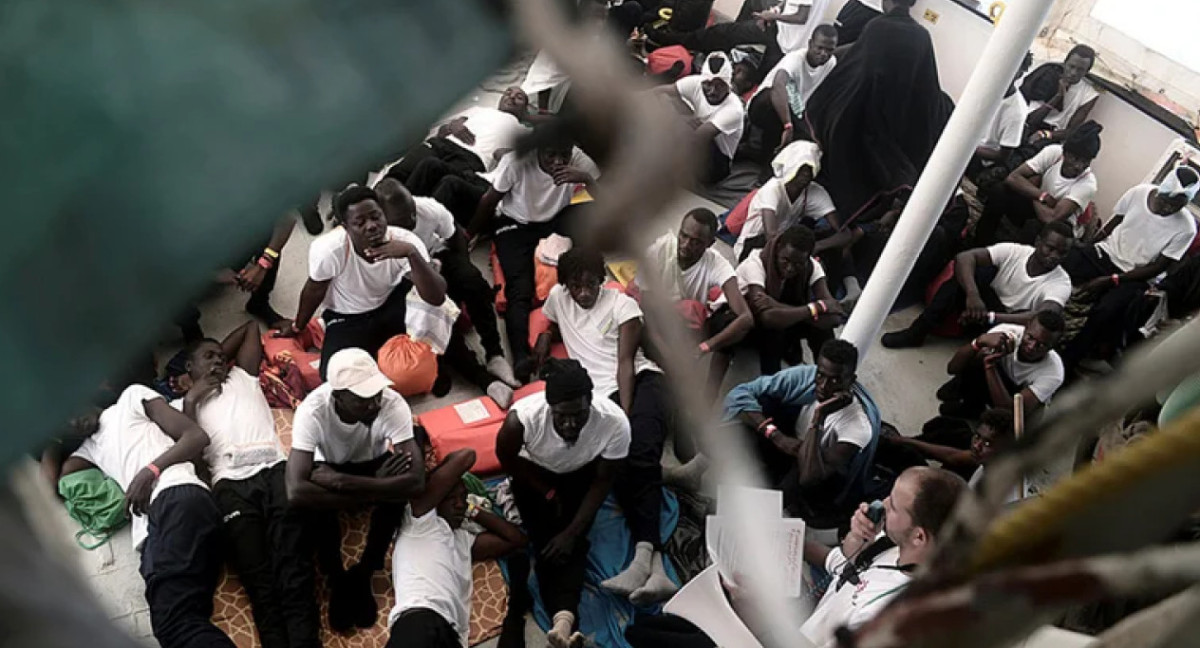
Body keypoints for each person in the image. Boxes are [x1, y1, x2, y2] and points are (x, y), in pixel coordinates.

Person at [532, 248, 678, 604]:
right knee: (618, 469)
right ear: (565, 286)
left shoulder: (622, 306)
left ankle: (644, 556)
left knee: (636, 452)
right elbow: (547, 319)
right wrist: (544, 340)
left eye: (591, 285)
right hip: (596, 397)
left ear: (602, 280)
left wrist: (624, 418)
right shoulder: (558, 298)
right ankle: (655, 568)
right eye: (576, 286)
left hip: (638, 384)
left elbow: (626, 363)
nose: (584, 293)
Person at [48, 385, 235, 648]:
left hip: (175, 496)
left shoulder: (130, 399)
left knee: (176, 625)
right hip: (159, 527)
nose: (72, 420)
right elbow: (53, 485)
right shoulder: (88, 450)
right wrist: (51, 442)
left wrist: (150, 471)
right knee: (186, 623)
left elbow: (195, 437)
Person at [174, 322, 318, 648]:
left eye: (221, 356)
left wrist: (219, 360)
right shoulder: (183, 406)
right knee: (259, 580)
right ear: (189, 367)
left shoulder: (244, 377)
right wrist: (191, 401)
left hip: (274, 470)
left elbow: (251, 328)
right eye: (207, 357)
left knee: (293, 565)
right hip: (230, 485)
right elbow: (196, 465)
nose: (217, 362)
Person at [285, 348, 426, 633]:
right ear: (337, 396)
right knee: (311, 506)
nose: (374, 404)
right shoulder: (311, 411)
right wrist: (374, 489)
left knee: (399, 491)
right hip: (332, 468)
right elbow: (295, 490)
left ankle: (364, 571)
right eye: (363, 399)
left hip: (366, 470)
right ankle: (337, 578)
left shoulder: (391, 402)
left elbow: (417, 481)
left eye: (376, 393)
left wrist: (350, 485)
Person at [495, 359, 632, 648]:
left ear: (590, 403)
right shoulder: (521, 420)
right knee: (545, 538)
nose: (570, 424)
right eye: (561, 416)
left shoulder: (615, 423)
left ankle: (564, 623)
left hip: (580, 474)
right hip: (534, 476)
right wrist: (546, 492)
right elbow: (507, 459)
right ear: (549, 407)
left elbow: (602, 481)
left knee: (571, 540)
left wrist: (572, 532)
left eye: (579, 415)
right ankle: (566, 622)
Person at [273, 185, 447, 379]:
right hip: (348, 317)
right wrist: (298, 325)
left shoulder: (406, 241)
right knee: (332, 375)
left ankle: (452, 371)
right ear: (345, 227)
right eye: (360, 222)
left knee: (438, 322)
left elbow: (437, 297)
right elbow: (314, 290)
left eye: (375, 216)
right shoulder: (329, 250)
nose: (371, 225)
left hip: (390, 304)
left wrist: (411, 254)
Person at [373, 172, 519, 400]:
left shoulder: (429, 208)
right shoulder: (378, 236)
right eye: (403, 219)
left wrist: (462, 274)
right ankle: (482, 379)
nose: (412, 220)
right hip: (407, 279)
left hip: (438, 258)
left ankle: (494, 354)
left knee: (473, 282)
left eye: (412, 212)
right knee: (435, 316)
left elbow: (455, 239)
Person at [469, 132, 601, 382]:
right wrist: (469, 234)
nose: (558, 161)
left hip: (556, 218)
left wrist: (585, 179)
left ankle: (588, 328)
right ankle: (520, 356)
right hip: (516, 223)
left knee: (590, 248)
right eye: (551, 155)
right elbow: (490, 201)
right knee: (520, 287)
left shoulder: (579, 161)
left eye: (564, 155)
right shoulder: (517, 162)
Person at [805, 0, 954, 219]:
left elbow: (857, 72)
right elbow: (926, 88)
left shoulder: (878, 27)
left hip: (868, 117)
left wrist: (825, 103)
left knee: (836, 121)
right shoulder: (922, 37)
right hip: (900, 123)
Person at [799, 467, 967, 646]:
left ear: (919, 537)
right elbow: (846, 563)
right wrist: (856, 537)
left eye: (893, 506)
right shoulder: (893, 543)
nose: (883, 503)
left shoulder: (888, 615)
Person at [722, 339, 878, 526]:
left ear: (851, 381)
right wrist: (775, 435)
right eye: (820, 375)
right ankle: (696, 471)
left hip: (813, 466)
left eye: (835, 380)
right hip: (789, 441)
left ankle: (753, 519)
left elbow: (809, 477)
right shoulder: (806, 376)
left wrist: (819, 417)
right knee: (742, 423)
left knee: (787, 489)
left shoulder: (858, 427)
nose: (823, 386)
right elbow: (740, 393)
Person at [1058, 168, 1200, 374]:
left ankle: (1068, 361)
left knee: (1105, 311)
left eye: (1175, 206)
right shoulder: (1139, 193)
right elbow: (1112, 225)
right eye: (1164, 202)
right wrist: (1088, 247)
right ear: (1160, 191)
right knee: (1066, 263)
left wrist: (1112, 280)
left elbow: (1158, 267)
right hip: (1107, 253)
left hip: (1137, 276)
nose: (1168, 209)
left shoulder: (1186, 228)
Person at [384, 448, 527, 648]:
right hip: (419, 618)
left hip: (453, 633)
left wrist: (473, 509)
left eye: (464, 499)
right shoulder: (419, 520)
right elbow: (467, 456)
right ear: (436, 499)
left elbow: (516, 539)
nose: (460, 505)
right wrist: (431, 482)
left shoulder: (464, 539)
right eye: (452, 498)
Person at [882, 221, 1073, 349]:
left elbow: (1042, 317)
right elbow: (965, 257)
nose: (1055, 256)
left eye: (1063, 253)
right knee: (969, 275)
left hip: (1010, 322)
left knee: (1026, 331)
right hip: (985, 305)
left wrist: (989, 317)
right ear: (1038, 241)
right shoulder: (1016, 251)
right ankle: (917, 332)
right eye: (1050, 247)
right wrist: (973, 296)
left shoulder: (1061, 282)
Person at [636, 208, 755, 396]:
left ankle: (710, 394)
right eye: (683, 236)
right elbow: (646, 311)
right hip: (657, 321)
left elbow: (746, 317)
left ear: (710, 243)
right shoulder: (659, 251)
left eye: (696, 242)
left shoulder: (716, 263)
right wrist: (667, 354)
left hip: (689, 327)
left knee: (726, 319)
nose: (685, 245)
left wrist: (704, 347)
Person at [394, 87, 532, 226]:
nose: (512, 97)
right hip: (441, 143)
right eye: (508, 92)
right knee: (400, 173)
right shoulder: (478, 110)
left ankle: (409, 223)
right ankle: (385, 209)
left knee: (433, 182)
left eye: (519, 97)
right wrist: (451, 127)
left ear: (525, 108)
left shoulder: (524, 131)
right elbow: (441, 132)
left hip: (470, 158)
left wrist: (528, 117)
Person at [972, 121, 1102, 246]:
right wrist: (1041, 195)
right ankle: (979, 243)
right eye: (1075, 158)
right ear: (1065, 153)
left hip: (1061, 226)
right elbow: (1013, 178)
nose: (1079, 166)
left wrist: (1033, 190)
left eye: (1086, 162)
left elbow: (1052, 218)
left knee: (1035, 228)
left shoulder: (1088, 184)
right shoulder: (1054, 153)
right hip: (1039, 205)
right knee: (999, 191)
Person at [739, 226, 844, 375]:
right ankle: (771, 388)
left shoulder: (812, 267)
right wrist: (815, 309)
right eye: (785, 260)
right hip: (753, 330)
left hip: (787, 323)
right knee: (774, 330)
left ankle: (827, 377)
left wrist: (778, 306)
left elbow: (835, 316)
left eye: (798, 264)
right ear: (778, 249)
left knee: (823, 331)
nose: (790, 268)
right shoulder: (756, 263)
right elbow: (767, 317)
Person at [939, 310, 1066, 420]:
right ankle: (971, 402)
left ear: (1052, 347)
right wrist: (979, 342)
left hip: (1015, 393)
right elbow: (952, 368)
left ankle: (974, 405)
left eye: (1041, 345)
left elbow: (1012, 413)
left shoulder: (1054, 372)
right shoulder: (1006, 332)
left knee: (1023, 423)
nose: (1032, 347)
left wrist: (990, 365)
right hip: (999, 376)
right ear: (1026, 328)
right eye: (1030, 337)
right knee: (976, 357)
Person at [741, 25, 838, 169]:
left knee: (812, 145)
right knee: (775, 104)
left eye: (829, 50)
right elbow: (778, 85)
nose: (823, 54)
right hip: (765, 106)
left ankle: (764, 156)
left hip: (795, 108)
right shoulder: (795, 59)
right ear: (810, 43)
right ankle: (764, 164)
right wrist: (788, 125)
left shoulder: (831, 63)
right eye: (819, 48)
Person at [733, 141, 837, 262]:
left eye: (809, 170)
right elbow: (770, 235)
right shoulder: (772, 189)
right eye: (801, 169)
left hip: (784, 247)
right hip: (754, 247)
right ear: (791, 167)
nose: (805, 174)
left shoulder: (813, 192)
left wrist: (817, 246)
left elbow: (843, 233)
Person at [654, 52, 745, 185]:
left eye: (719, 86)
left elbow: (697, 138)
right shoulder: (696, 82)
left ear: (728, 85)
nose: (712, 91)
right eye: (708, 84)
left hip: (715, 166)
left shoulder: (734, 109)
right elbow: (657, 92)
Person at [876, 407, 1015, 484]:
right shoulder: (986, 456)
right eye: (978, 436)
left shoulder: (997, 487)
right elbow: (953, 457)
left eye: (987, 443)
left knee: (908, 458)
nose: (977, 446)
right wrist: (907, 441)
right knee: (953, 429)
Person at [969, 52, 1033, 179]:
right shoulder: (982, 87)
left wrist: (969, 149)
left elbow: (1002, 155)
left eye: (1012, 68)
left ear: (1019, 73)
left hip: (980, 159)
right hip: (966, 144)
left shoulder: (1016, 111)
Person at [1024, 45, 1099, 146]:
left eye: (1080, 70)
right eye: (1071, 66)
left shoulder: (1089, 94)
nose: (1073, 73)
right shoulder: (1049, 76)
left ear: (1086, 72)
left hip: (1052, 136)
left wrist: (1044, 134)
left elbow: (1071, 131)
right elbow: (1032, 120)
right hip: (1030, 125)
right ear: (1065, 63)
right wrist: (1058, 96)